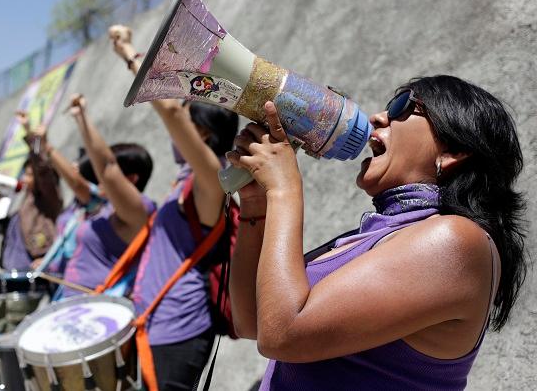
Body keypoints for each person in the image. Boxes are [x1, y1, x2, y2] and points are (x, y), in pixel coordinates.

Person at [227, 75, 527, 390]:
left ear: (452, 152)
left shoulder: (457, 241)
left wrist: (284, 189)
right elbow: (252, 320)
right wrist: (256, 202)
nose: (379, 118)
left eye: (402, 107)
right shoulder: (372, 237)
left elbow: (283, 334)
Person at [112, 26, 239, 389]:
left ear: (201, 133)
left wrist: (128, 53)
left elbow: (168, 110)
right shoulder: (185, 180)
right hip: (152, 322)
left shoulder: (214, 178)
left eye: (187, 115)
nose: (176, 123)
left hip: (179, 329)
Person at [40, 96, 155, 298]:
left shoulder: (140, 212)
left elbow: (103, 168)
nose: (99, 177)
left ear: (131, 178)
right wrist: (79, 118)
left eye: (104, 174)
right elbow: (84, 180)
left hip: (99, 312)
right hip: (70, 301)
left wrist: (83, 118)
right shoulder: (102, 205)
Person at [0, 112, 63, 371]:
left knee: (13, 329)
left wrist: (34, 141)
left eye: (29, 175)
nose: (26, 179)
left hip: (28, 277)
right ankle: (1, 375)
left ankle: (12, 376)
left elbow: (43, 171)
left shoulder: (47, 200)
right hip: (12, 274)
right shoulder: (24, 201)